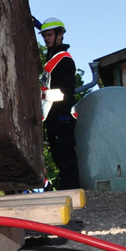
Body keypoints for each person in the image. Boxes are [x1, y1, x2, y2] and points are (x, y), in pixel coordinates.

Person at [37, 17, 81, 189]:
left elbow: (66, 93)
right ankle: (66, 188)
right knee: (59, 155)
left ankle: (71, 190)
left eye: (49, 35)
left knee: (65, 155)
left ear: (60, 34)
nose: (46, 39)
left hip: (61, 116)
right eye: (44, 35)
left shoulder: (63, 60)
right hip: (53, 114)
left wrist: (62, 116)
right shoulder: (54, 58)